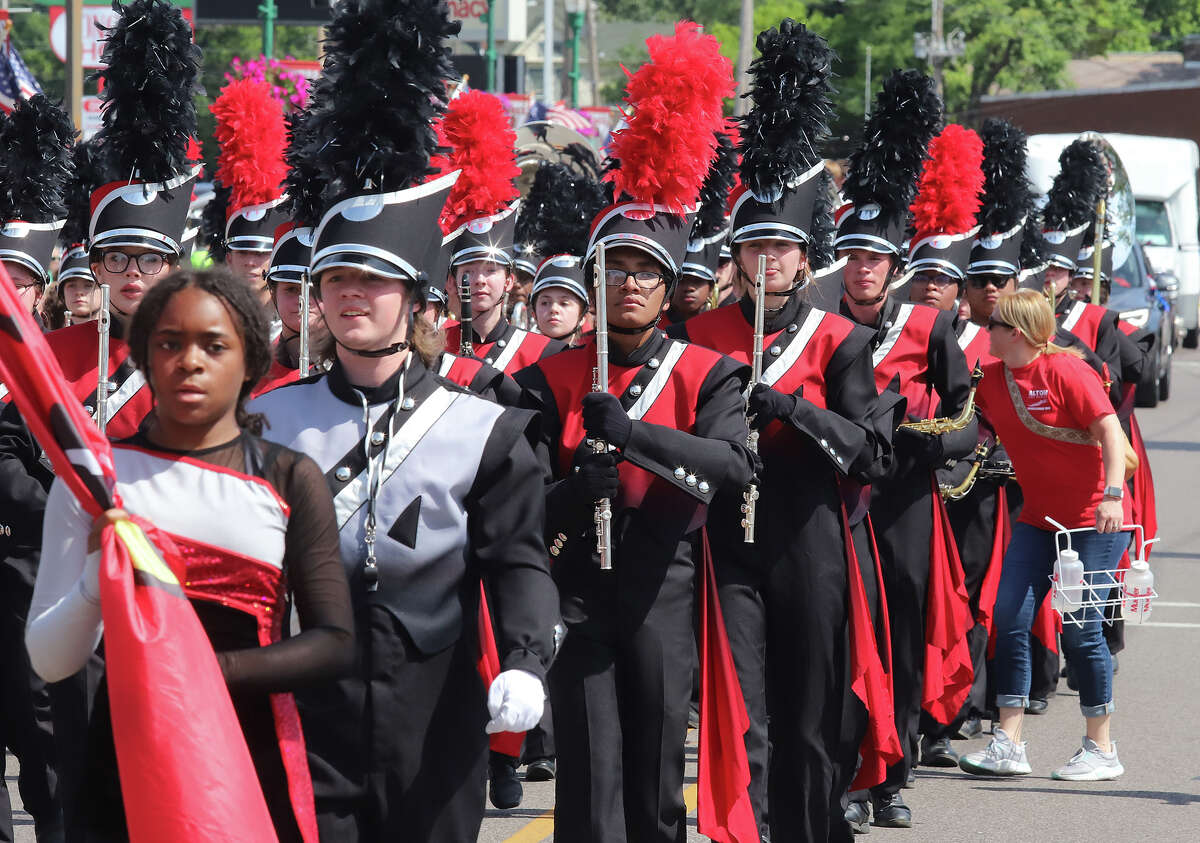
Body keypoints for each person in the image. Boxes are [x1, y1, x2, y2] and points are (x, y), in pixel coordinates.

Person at [256, 6, 559, 835]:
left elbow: (518, 562)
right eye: (337, 278)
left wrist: (529, 659)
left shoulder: (482, 428)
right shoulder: (266, 420)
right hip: (301, 724)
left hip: (434, 725)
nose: (351, 294)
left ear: (419, 300)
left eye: (374, 279)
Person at [514, 23, 753, 843]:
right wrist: (575, 486)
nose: (628, 283)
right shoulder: (548, 378)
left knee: (653, 779)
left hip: (665, 585)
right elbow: (518, 505)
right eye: (612, 268)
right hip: (578, 593)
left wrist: (638, 435)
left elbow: (732, 466)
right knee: (588, 779)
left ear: (668, 284)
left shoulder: (706, 373)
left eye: (645, 270)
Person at [669, 23, 900, 842]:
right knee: (742, 707)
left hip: (811, 536)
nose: (766, 258)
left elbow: (874, 451)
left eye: (782, 246)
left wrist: (794, 409)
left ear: (808, 258)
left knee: (808, 710)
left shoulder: (842, 340)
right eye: (753, 244)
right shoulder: (699, 334)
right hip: (725, 542)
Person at [25, 269, 354, 841]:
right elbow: (50, 659)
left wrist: (203, 673)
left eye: (214, 344)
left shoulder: (290, 477)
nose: (190, 361)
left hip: (251, 758)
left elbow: (334, 642)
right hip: (124, 762)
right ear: (146, 358)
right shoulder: (96, 482)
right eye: (170, 343)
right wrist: (93, 585)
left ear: (250, 361)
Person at [836, 71, 974, 831]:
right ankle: (854, 774)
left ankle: (895, 776)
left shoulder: (928, 327)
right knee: (855, 640)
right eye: (852, 259)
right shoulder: (821, 328)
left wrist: (931, 443)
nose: (862, 270)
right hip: (842, 504)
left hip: (907, 505)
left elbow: (967, 415)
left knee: (907, 637)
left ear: (894, 268)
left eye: (875, 260)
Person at [959, 288, 1131, 780]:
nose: (984, 331)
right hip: (1039, 520)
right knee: (1010, 617)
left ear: (1014, 332)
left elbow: (1109, 433)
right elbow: (969, 425)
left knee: (1080, 630)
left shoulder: (1066, 371)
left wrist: (1113, 495)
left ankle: (1101, 748)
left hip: (1096, 520)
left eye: (991, 325)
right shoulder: (991, 378)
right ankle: (1008, 743)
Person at [530, 256, 588, 344]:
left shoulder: (594, 356)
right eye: (544, 303)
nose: (554, 309)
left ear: (583, 317)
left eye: (564, 303)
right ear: (534, 314)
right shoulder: (518, 355)